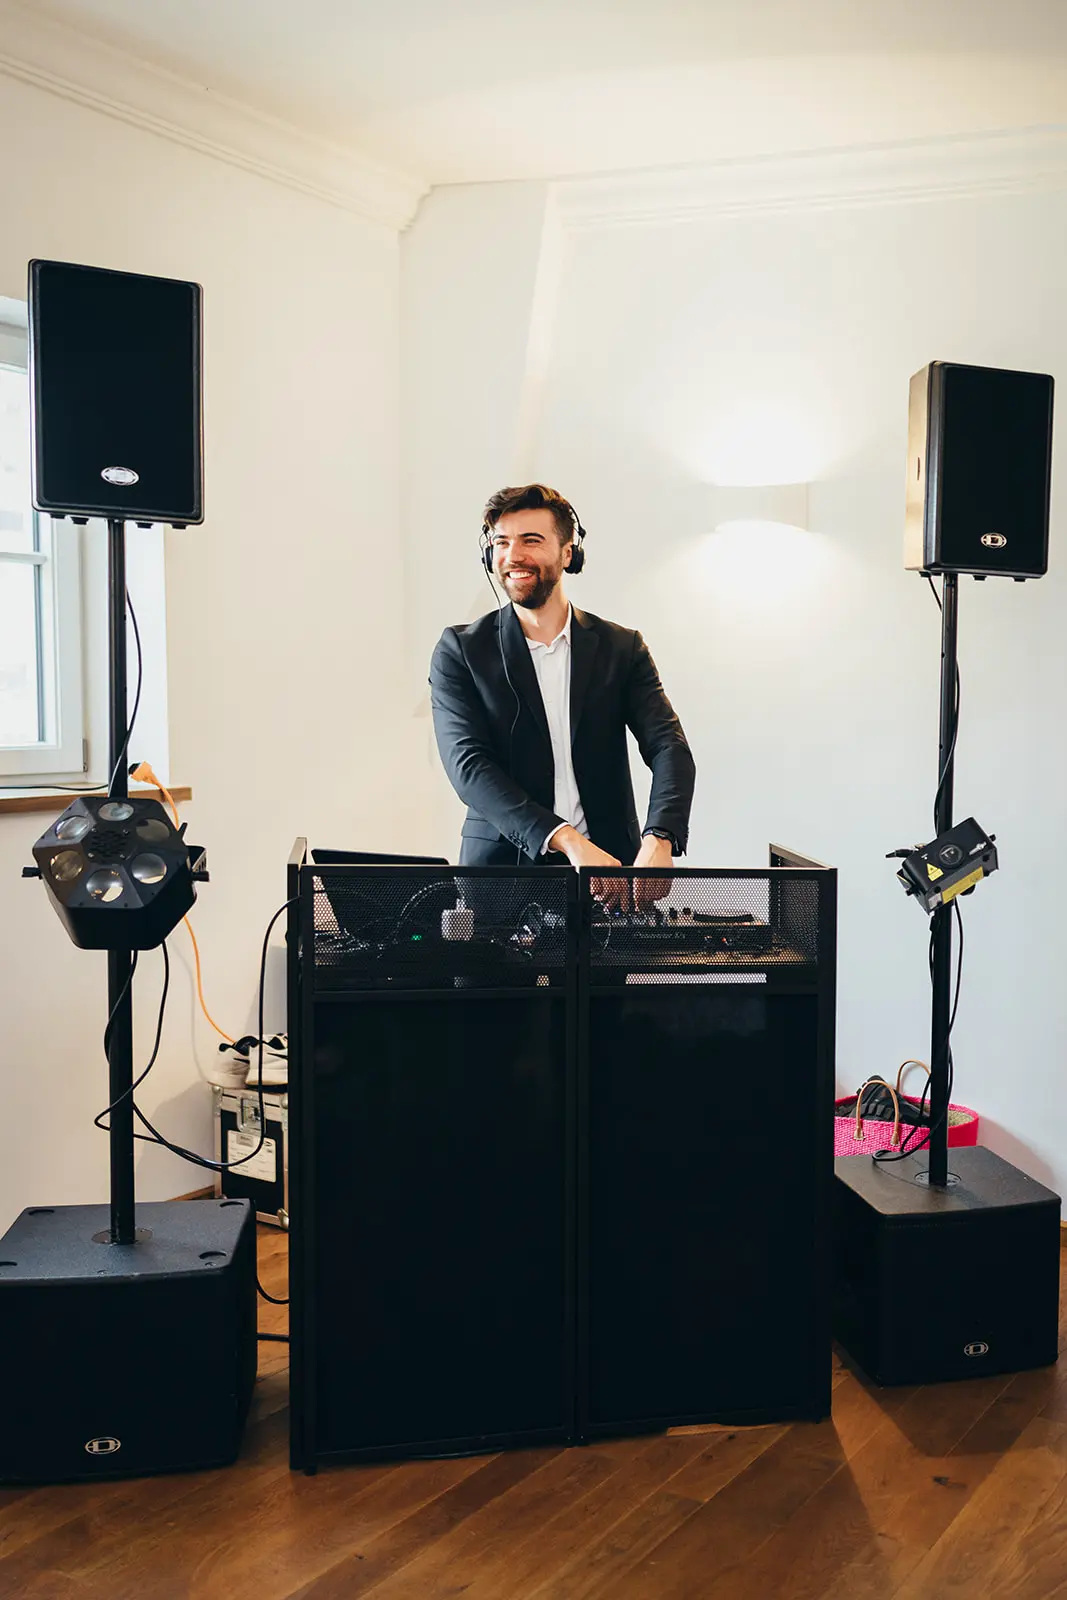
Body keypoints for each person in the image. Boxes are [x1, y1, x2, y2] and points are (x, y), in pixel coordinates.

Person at [429, 483, 695, 909]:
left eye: (531, 540)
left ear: (569, 553)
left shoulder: (622, 648)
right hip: (500, 883)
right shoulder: (460, 650)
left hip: (611, 881)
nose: (513, 555)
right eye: (501, 542)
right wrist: (567, 839)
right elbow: (468, 765)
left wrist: (660, 837)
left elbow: (669, 747)